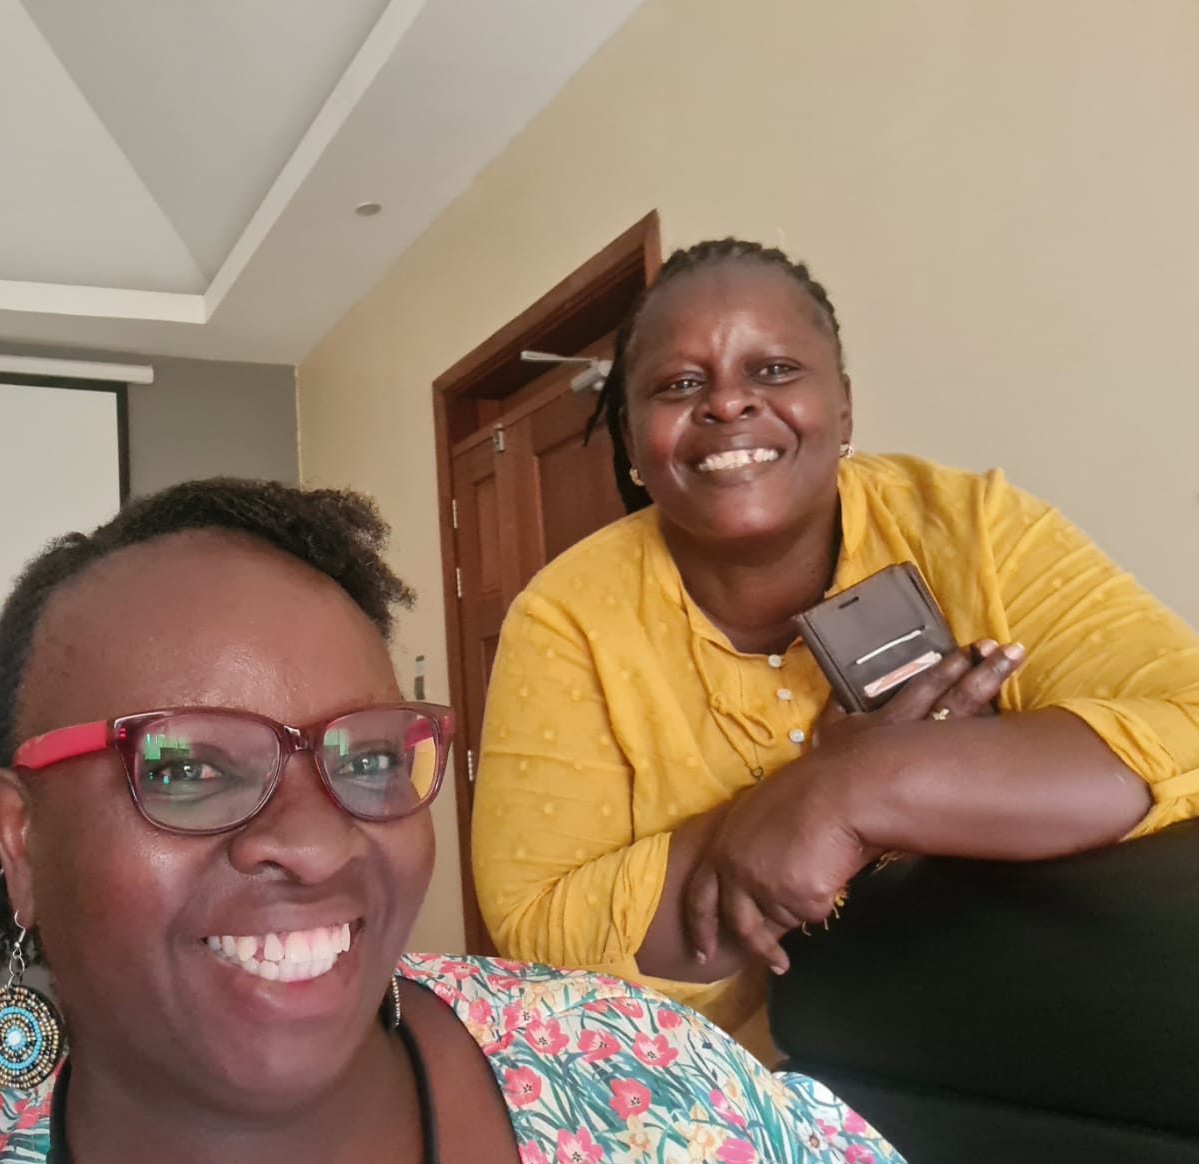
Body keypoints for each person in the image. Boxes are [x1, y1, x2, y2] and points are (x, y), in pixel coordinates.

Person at [0, 478, 907, 1164]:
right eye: (189, 768)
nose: (317, 842)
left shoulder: (645, 1080)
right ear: (21, 838)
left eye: (371, 758)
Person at [472, 238, 1199, 1055]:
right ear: (634, 448)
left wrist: (854, 789)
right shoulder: (568, 617)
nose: (728, 404)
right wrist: (774, 822)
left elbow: (1188, 720)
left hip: (1002, 1050)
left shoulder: (975, 529)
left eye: (775, 370)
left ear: (844, 407)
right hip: (713, 1106)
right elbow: (538, 932)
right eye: (679, 385)